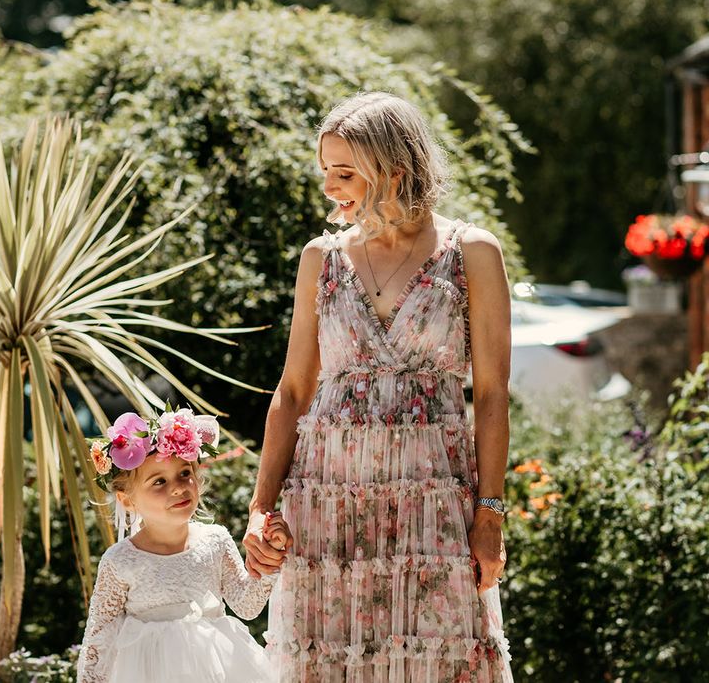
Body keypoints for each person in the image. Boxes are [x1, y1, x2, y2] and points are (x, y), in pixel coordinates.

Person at [244, 92, 513, 681]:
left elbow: (492, 395)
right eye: (326, 173)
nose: (330, 188)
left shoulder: (471, 252)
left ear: (394, 169)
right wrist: (262, 506)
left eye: (345, 173)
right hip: (326, 502)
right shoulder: (322, 258)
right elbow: (292, 391)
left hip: (433, 502)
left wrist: (489, 515)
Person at [77, 410, 292, 683]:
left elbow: (247, 606)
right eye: (159, 481)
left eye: (184, 473)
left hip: (219, 668)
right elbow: (99, 639)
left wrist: (270, 558)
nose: (178, 487)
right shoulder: (121, 561)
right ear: (127, 500)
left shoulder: (215, 541)